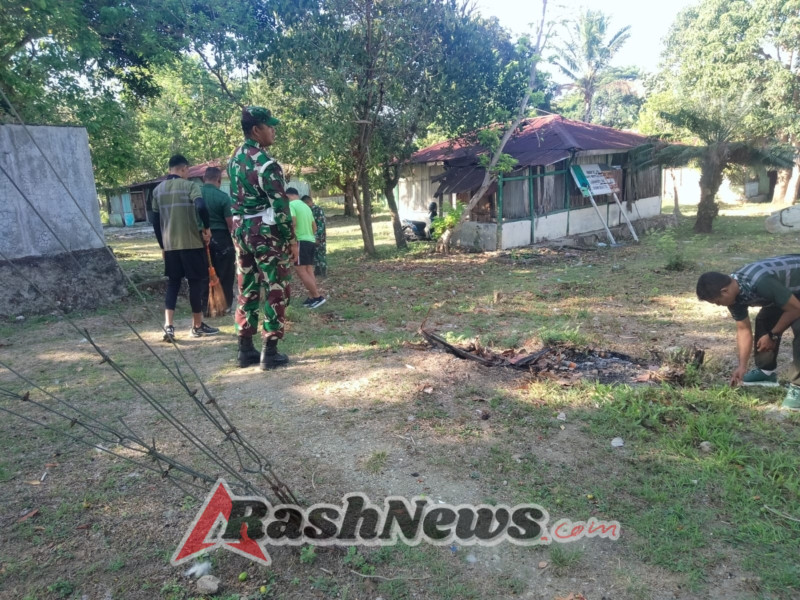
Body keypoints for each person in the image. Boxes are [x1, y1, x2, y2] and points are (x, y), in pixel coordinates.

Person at [228, 106, 298, 369]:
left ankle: (245, 350)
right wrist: (291, 240)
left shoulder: (234, 159)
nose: (273, 131)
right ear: (256, 130)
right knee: (275, 288)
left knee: (246, 288)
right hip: (266, 233)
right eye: (270, 126)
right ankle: (270, 352)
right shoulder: (266, 164)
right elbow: (280, 207)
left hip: (241, 232)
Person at [696, 255, 800, 410]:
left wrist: (773, 335)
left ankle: (798, 387)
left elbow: (796, 309)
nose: (718, 305)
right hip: (787, 291)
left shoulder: (761, 282)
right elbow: (743, 329)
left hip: (793, 288)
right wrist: (742, 366)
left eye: (717, 302)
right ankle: (766, 372)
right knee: (765, 319)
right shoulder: (734, 296)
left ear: (724, 291)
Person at [151, 154, 220, 341]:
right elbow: (201, 206)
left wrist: (162, 246)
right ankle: (197, 326)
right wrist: (207, 228)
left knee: (173, 284)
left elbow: (155, 222)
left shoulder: (157, 191)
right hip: (191, 244)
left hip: (170, 246)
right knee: (195, 283)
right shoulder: (190, 186)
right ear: (183, 169)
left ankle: (169, 326)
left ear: (169, 168)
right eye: (187, 170)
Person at [201, 166, 236, 312]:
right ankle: (224, 305)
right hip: (221, 239)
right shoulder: (223, 197)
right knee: (225, 272)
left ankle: (205, 306)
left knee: (204, 273)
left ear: (204, 179)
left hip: (200, 238)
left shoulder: (196, 195)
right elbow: (230, 223)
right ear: (219, 180)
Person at [287, 188, 325, 308]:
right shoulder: (306, 207)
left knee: (301, 270)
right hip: (310, 240)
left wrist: (291, 238)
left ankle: (317, 297)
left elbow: (293, 222)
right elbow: (314, 227)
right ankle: (312, 296)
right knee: (309, 270)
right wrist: (309, 235)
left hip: (300, 241)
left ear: (288, 196)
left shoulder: (291, 205)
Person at [303, 194, 327, 277]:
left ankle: (323, 271)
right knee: (314, 254)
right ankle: (317, 270)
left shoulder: (318, 210)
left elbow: (321, 225)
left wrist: (317, 237)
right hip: (310, 236)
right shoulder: (308, 210)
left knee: (321, 253)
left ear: (309, 202)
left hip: (319, 236)